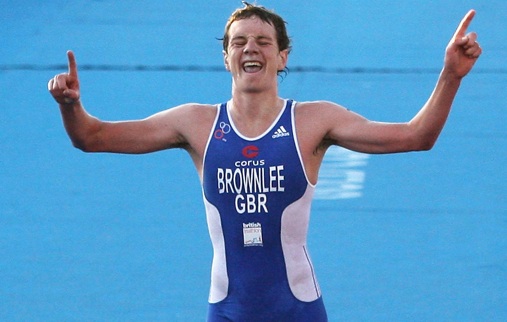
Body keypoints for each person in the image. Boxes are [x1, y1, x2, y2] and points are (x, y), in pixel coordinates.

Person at [48, 2, 482, 321]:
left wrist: (450, 76)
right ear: (226, 57)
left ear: (282, 56)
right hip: (227, 311)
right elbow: (92, 136)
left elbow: (416, 137)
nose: (250, 48)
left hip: (299, 309)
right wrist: (71, 107)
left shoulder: (314, 121)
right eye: (238, 42)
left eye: (262, 41)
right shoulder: (195, 124)